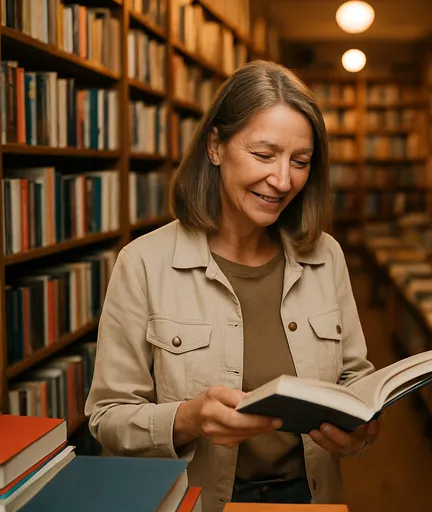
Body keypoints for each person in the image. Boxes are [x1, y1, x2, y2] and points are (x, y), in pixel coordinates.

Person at [85, 60, 379, 512]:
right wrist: (187, 419)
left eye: (300, 162)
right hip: (197, 500)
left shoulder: (327, 256)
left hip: (309, 498)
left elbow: (354, 380)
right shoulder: (144, 263)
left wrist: (361, 428)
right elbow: (107, 419)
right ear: (216, 146)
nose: (282, 181)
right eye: (264, 155)